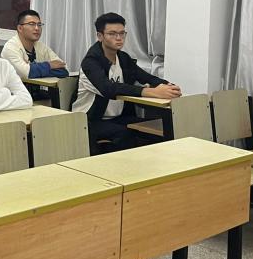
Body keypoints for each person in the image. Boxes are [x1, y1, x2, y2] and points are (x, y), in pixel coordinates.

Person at [73, 13, 181, 154]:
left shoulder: (123, 58)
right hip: (89, 121)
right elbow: (109, 89)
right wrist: (151, 92)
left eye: (122, 33)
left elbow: (145, 77)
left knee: (151, 130)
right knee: (125, 134)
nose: (119, 38)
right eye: (112, 34)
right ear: (100, 36)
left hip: (118, 117)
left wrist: (168, 86)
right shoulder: (91, 62)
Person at [0, 9, 68, 81]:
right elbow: (26, 73)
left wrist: (34, 69)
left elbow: (64, 69)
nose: (37, 28)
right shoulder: (10, 48)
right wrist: (49, 65)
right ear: (20, 28)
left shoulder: (41, 47)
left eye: (39, 25)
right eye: (32, 24)